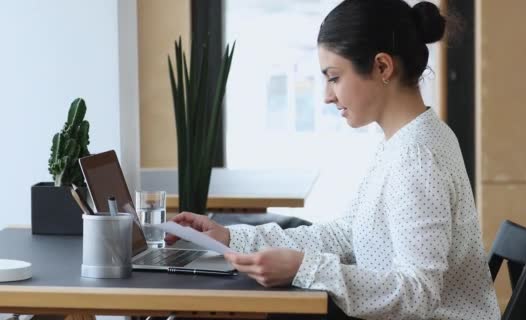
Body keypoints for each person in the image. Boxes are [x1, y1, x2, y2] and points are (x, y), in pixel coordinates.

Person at [165, 0, 500, 319]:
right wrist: (230, 237)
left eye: (334, 77)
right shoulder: (405, 141)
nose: (327, 95)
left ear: (382, 66)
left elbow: (418, 294)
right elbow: (346, 236)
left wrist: (303, 268)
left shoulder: (416, 156)